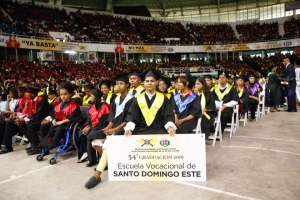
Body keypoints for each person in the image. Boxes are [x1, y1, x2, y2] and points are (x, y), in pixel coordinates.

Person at [84, 68, 176, 189]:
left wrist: (170, 126)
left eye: (152, 81)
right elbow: (132, 116)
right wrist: (130, 127)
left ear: (156, 82)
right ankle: (97, 173)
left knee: (173, 139)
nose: (149, 83)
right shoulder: (138, 98)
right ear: (143, 83)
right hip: (140, 128)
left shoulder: (163, 98)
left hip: (157, 128)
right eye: (147, 81)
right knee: (112, 141)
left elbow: (168, 115)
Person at [44, 82, 83, 151]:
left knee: (59, 129)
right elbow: (55, 114)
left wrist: (61, 122)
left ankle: (53, 144)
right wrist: (54, 120)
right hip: (59, 121)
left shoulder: (74, 106)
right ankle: (44, 144)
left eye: (65, 94)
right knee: (51, 128)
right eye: (61, 94)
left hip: (69, 123)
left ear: (70, 94)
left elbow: (73, 117)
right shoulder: (59, 105)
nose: (63, 96)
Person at [81, 89, 110, 167]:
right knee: (82, 133)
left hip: (102, 128)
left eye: (91, 96)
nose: (90, 98)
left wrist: (90, 128)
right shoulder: (92, 107)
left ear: (96, 97)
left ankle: (103, 161)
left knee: (90, 136)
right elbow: (89, 119)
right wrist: (87, 126)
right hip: (93, 127)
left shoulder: (104, 106)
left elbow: (104, 122)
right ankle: (92, 159)